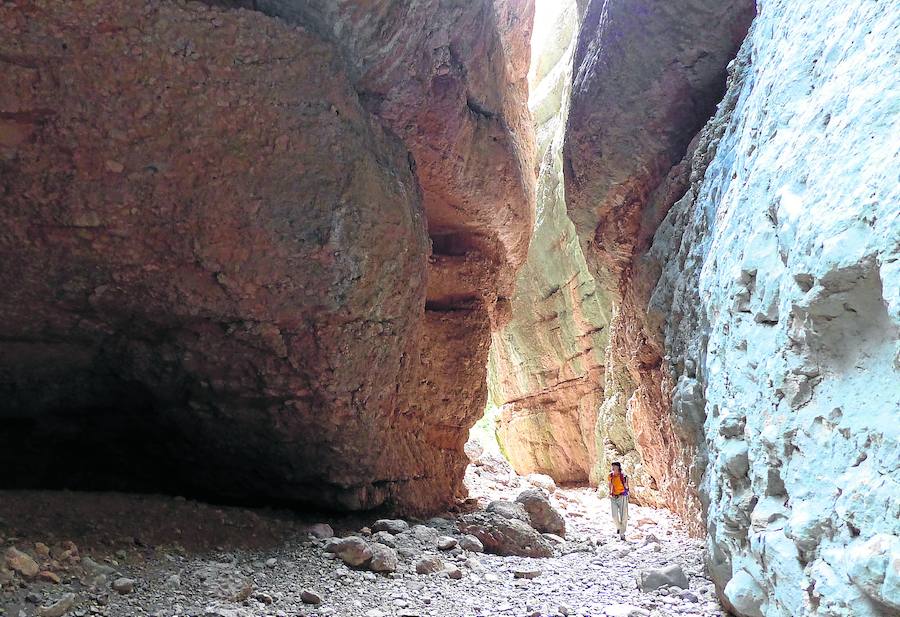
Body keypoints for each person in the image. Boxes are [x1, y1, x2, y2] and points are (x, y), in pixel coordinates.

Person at [608, 461, 629, 540]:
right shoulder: (610, 476)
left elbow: (626, 485)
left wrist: (626, 487)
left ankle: (622, 533)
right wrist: (610, 492)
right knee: (614, 516)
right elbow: (610, 484)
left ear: (618, 467)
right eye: (612, 467)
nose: (613, 468)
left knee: (624, 516)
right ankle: (619, 528)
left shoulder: (623, 476)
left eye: (614, 467)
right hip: (613, 497)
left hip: (622, 496)